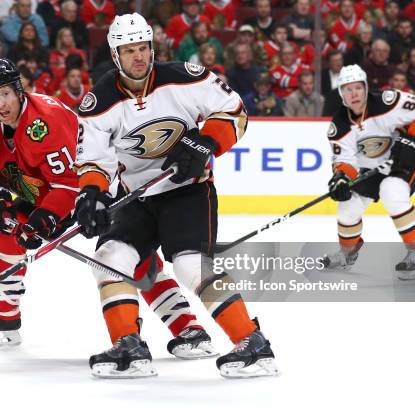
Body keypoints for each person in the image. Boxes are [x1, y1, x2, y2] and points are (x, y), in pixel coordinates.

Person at [74, 13, 278, 379]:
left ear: (152, 48)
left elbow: (234, 112)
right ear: (115, 54)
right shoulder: (99, 100)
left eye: (143, 48)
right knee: (108, 257)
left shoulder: (185, 76)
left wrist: (205, 141)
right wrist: (92, 195)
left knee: (188, 264)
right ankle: (128, 346)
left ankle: (252, 342)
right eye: (128, 50)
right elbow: (93, 157)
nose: (138, 56)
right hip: (135, 196)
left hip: (188, 190)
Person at [0, 58, 215, 354]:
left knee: (129, 254)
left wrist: (44, 219)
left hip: (95, 190)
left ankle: (188, 327)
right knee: (6, 228)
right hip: (46, 194)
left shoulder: (47, 119)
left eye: (4, 94)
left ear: (19, 91)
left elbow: (72, 182)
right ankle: (5, 317)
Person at [324, 64, 415, 280]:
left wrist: (412, 140)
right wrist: (341, 178)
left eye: (358, 87)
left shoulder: (388, 102)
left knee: (392, 190)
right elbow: (345, 161)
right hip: (376, 165)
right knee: (348, 205)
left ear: (366, 88)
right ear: (341, 94)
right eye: (348, 89)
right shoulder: (338, 126)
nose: (354, 94)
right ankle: (347, 254)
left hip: (413, 154)